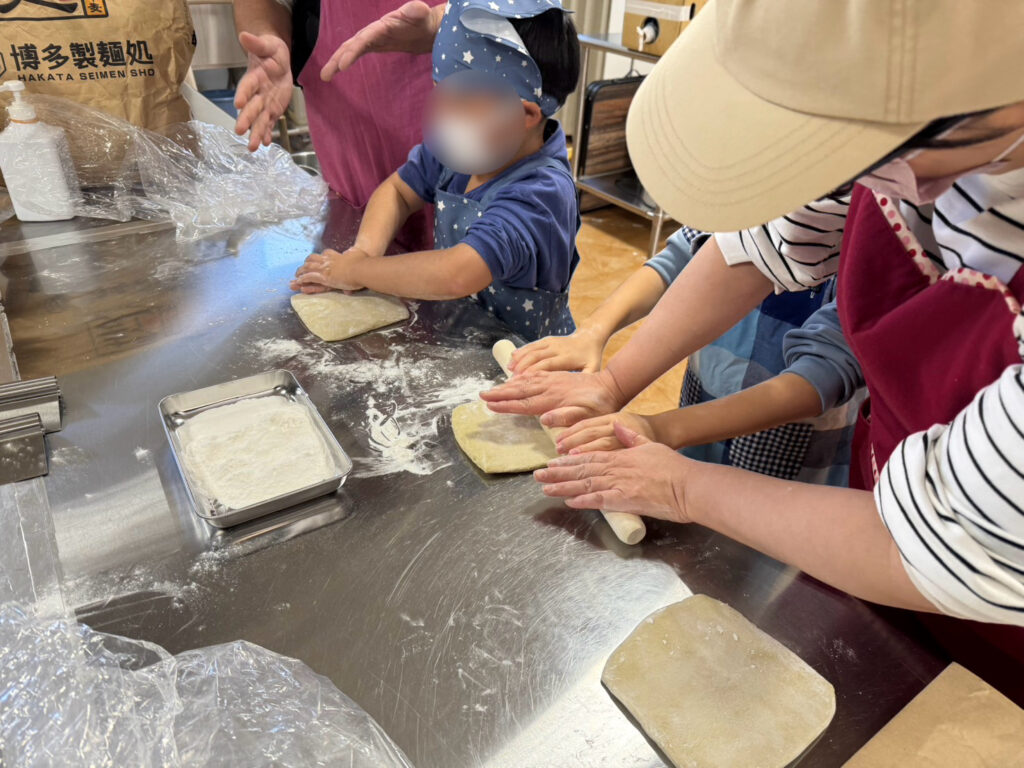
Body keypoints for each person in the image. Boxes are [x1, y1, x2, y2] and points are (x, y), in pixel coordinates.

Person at [479, 0, 1024, 697]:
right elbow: (759, 247)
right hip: (884, 518)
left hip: (995, 623)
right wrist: (612, 382)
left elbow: (936, 545)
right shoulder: (892, 112)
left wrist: (682, 485)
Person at [291, 0, 581, 341]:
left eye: (460, 104)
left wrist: (359, 271)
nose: (444, 117)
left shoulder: (541, 193)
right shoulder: (465, 152)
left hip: (524, 361)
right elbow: (398, 192)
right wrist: (362, 253)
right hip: (465, 342)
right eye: (440, 93)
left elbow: (457, 273)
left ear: (525, 114)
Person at [511, 225, 862, 487]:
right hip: (697, 414)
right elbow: (681, 256)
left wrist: (661, 426)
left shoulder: (860, 241)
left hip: (790, 458)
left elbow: (823, 372)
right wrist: (594, 335)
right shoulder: (747, 190)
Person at [232, 0, 444, 250]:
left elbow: (462, 267)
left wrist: (443, 23)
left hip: (469, 188)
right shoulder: (416, 174)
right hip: (355, 187)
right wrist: (266, 33)